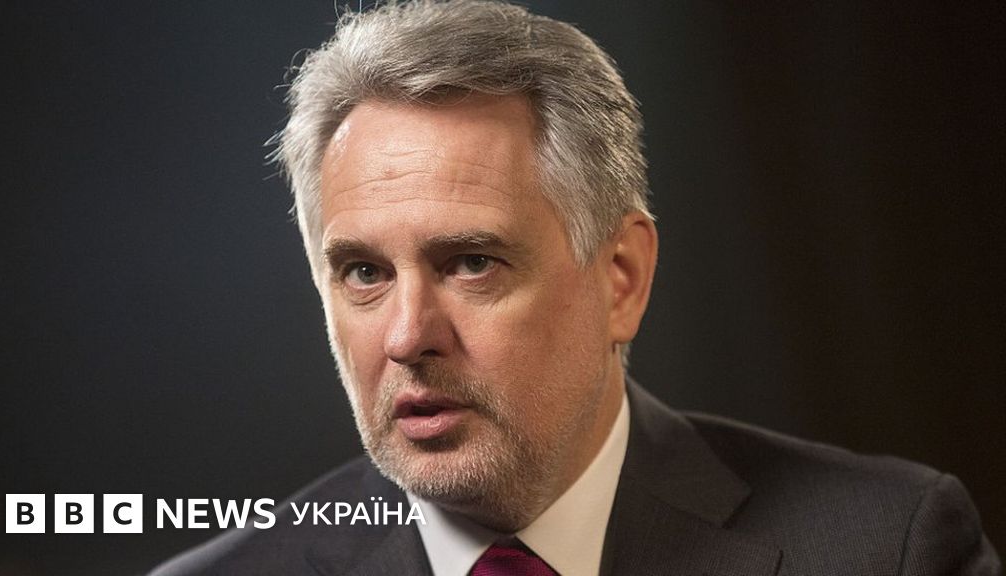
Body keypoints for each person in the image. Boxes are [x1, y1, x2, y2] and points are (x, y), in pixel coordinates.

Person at [151, 1, 1000, 574]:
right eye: (365, 273)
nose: (407, 335)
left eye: (471, 263)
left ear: (621, 277)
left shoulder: (890, 548)